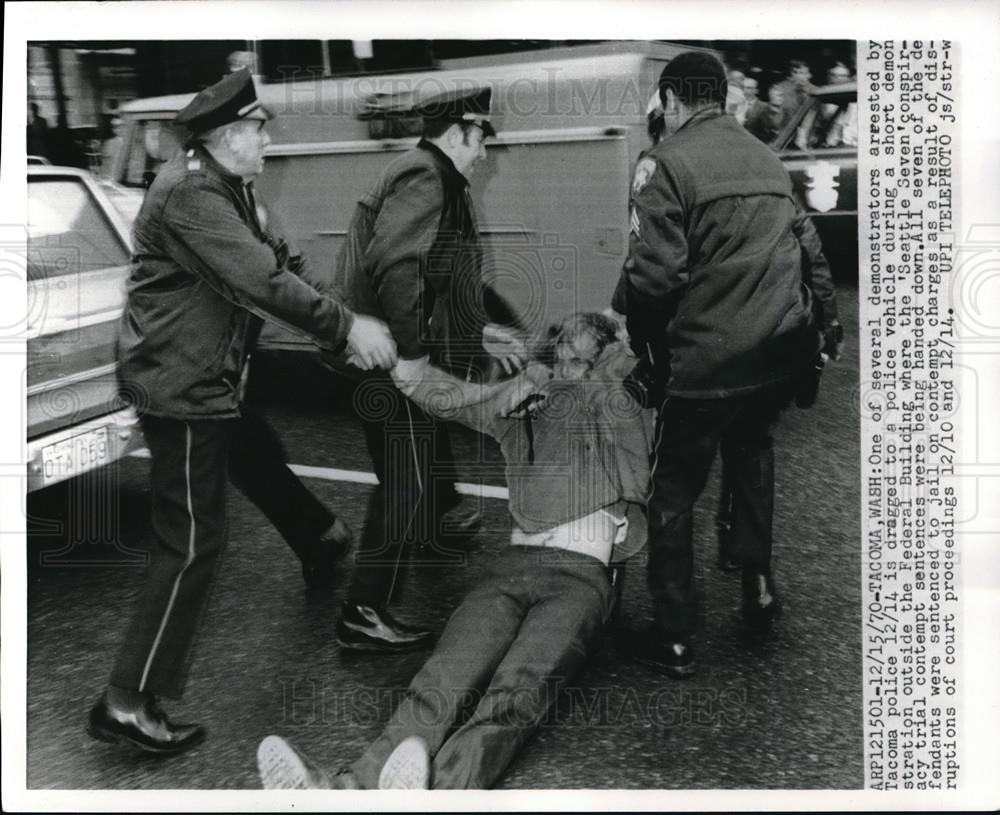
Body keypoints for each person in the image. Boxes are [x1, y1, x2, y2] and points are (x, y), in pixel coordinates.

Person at [86, 68, 398, 756]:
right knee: (191, 541)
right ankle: (126, 699)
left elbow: (287, 265)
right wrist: (347, 329)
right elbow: (260, 281)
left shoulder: (235, 188)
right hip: (182, 386)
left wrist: (348, 322)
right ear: (228, 136)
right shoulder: (191, 193)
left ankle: (316, 538)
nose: (268, 141)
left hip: (211, 378)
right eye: (260, 130)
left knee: (246, 464)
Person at [257, 312, 654, 790]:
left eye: (583, 359)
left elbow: (630, 378)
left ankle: (439, 792)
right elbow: (451, 400)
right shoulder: (526, 402)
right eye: (564, 358)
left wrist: (599, 357)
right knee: (441, 680)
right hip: (511, 568)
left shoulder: (619, 405)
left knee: (515, 695)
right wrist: (408, 364)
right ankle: (346, 788)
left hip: (579, 579)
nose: (571, 369)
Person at [615, 52, 841, 679]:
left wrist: (648, 348)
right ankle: (759, 584)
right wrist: (828, 321)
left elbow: (654, 276)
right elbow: (808, 243)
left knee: (672, 491)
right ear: (721, 97)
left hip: (707, 360)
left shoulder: (664, 164)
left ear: (673, 102)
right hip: (776, 351)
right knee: (752, 454)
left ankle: (676, 634)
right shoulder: (765, 156)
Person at [327, 86, 517, 653]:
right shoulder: (425, 176)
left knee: (413, 462)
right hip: (388, 360)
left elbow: (438, 275)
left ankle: (430, 537)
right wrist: (412, 358)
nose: (484, 151)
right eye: (481, 136)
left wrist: (477, 329)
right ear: (457, 131)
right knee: (403, 478)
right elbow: (396, 267)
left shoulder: (434, 177)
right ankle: (362, 611)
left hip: (395, 354)